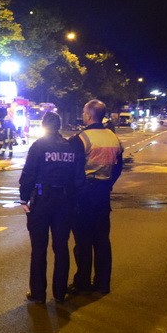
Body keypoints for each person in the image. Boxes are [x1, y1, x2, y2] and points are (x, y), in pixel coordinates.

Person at [18, 111, 85, 304]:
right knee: (61, 247)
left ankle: (38, 294)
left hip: (41, 201)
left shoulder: (39, 146)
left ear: (45, 126)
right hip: (64, 202)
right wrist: (75, 202)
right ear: (60, 126)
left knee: (39, 249)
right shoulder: (71, 148)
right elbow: (79, 178)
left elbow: (28, 175)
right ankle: (60, 292)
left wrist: (24, 200)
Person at [68, 99, 124, 296]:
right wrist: (108, 183)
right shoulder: (113, 138)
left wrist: (77, 190)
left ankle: (82, 282)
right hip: (102, 193)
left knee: (82, 241)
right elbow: (119, 166)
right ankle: (102, 283)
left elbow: (73, 170)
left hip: (84, 195)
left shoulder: (81, 139)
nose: (83, 115)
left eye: (84, 112)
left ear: (89, 115)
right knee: (101, 240)